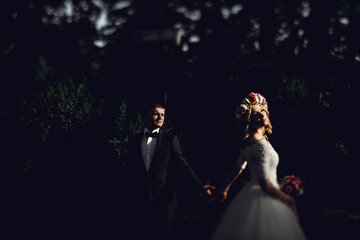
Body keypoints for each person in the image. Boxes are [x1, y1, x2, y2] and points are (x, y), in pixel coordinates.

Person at [209, 92, 307, 240]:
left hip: (252, 193)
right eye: (256, 114)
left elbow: (239, 166)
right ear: (249, 120)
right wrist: (288, 199)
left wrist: (225, 189)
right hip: (265, 195)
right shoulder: (260, 145)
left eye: (262, 110)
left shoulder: (250, 141)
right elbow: (265, 184)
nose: (262, 115)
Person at [120, 102, 214, 240]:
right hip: (138, 203)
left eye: (162, 115)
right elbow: (129, 172)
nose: (160, 117)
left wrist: (200, 187)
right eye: (156, 113)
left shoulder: (170, 140)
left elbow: (183, 166)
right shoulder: (134, 141)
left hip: (164, 203)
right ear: (145, 116)